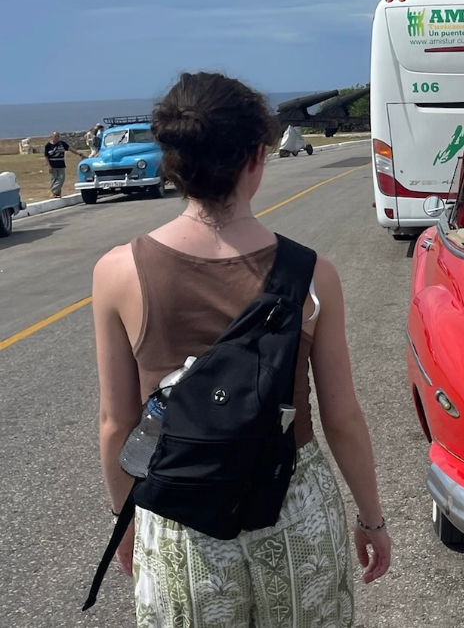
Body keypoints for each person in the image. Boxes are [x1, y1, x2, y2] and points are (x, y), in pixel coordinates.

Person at [91, 72, 391, 626]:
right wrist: (371, 519)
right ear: (257, 158)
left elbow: (117, 422)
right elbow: (341, 416)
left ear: (172, 160)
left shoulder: (117, 272)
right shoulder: (312, 273)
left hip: (182, 513)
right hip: (293, 501)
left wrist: (126, 519)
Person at [44, 131, 84, 198]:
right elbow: (46, 156)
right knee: (54, 180)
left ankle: (53, 191)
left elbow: (70, 149)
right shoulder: (48, 146)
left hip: (61, 164)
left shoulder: (61, 144)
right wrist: (49, 166)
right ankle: (56, 193)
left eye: (57, 136)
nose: (56, 138)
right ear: (52, 137)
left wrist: (78, 153)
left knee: (61, 179)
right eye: (55, 136)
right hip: (52, 164)